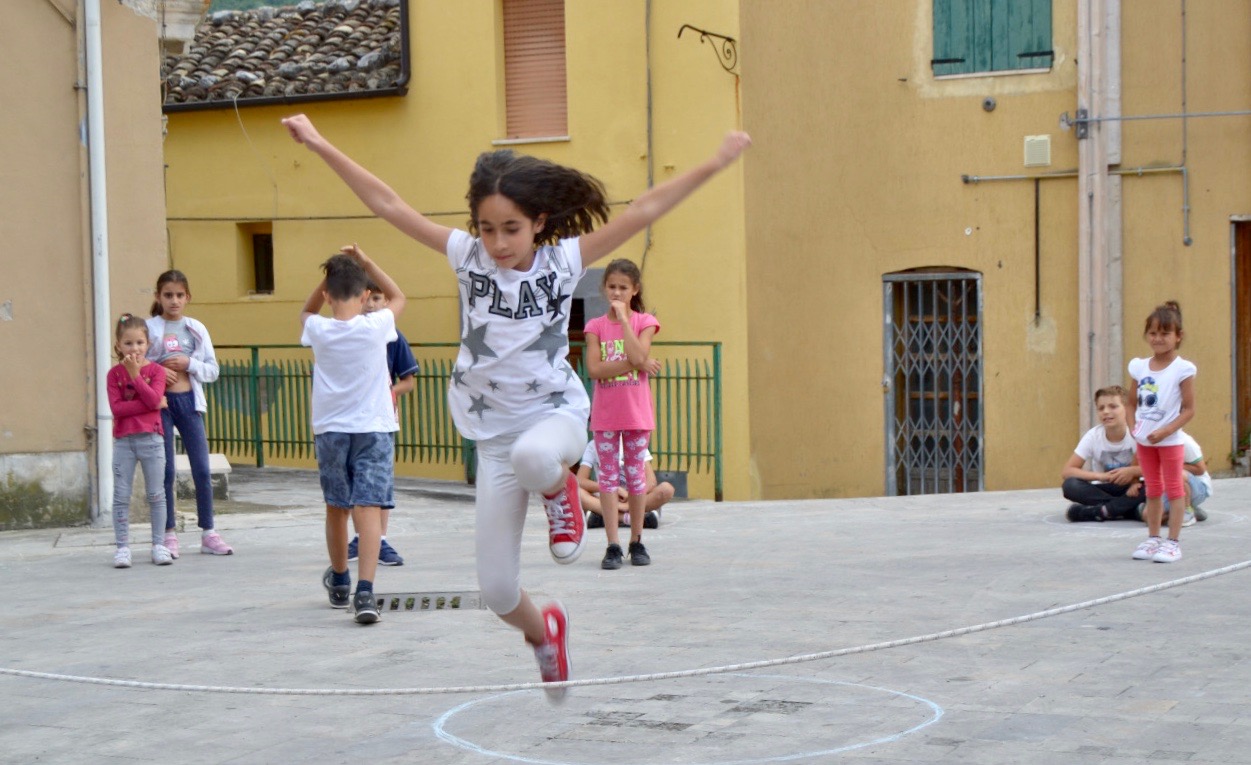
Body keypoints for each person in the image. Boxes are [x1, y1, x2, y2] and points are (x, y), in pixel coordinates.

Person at [282, 112, 750, 699]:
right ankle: (545, 635)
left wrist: (713, 163)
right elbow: (388, 204)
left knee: (536, 456)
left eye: (511, 229)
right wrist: (322, 142)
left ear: (538, 223)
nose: (498, 243)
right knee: (499, 589)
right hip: (493, 438)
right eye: (486, 229)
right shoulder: (466, 257)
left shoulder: (565, 262)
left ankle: (563, 498)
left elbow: (644, 210)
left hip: (555, 419)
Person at [301, 246, 406, 625]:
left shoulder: (318, 328)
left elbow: (307, 310)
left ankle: (340, 581)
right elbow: (398, 296)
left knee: (337, 507)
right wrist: (366, 261)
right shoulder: (376, 325)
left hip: (331, 429)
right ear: (365, 296)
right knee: (369, 508)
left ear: (328, 293)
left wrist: (328, 277)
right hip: (374, 428)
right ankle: (365, 591)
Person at [146, 271, 232, 557]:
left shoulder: (195, 328)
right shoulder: (149, 328)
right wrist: (159, 370)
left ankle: (209, 532)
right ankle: (168, 533)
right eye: (168, 295)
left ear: (187, 298)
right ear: (158, 297)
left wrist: (189, 363)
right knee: (167, 470)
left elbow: (212, 371)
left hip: (190, 403)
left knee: (201, 468)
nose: (174, 300)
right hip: (161, 406)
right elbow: (136, 367)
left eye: (179, 295)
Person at [583, 260, 662, 569]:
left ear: (634, 290)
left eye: (623, 288)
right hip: (605, 414)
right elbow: (594, 369)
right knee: (606, 479)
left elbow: (641, 353)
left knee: (636, 477)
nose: (616, 293)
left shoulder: (645, 322)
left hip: (636, 414)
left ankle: (637, 540)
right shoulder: (595, 327)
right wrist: (637, 363)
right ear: (605, 288)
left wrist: (626, 324)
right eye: (612, 286)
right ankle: (613, 544)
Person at [345, 279, 419, 567]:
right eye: (368, 298)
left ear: (388, 304)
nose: (372, 304)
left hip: (381, 419)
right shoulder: (348, 333)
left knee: (379, 481)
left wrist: (388, 393)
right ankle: (361, 537)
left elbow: (409, 381)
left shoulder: (393, 337)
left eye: (379, 298)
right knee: (354, 480)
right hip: (351, 417)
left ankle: (381, 539)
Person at [1127, 301, 1196, 563]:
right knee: (1152, 490)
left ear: (1178, 337)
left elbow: (1189, 409)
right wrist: (1134, 426)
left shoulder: (1182, 369)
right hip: (1145, 442)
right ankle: (1153, 537)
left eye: (1165, 333)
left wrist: (1166, 431)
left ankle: (1173, 542)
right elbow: (1131, 401)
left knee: (1174, 490)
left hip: (1170, 442)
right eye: (1153, 333)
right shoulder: (1139, 367)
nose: (1158, 339)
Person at [107, 315, 171, 568]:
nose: (134, 349)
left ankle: (159, 544)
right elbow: (117, 408)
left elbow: (155, 399)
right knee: (121, 495)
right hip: (124, 441)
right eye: (128, 343)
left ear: (148, 343)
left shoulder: (156, 371)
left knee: (156, 494)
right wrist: (149, 403)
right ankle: (122, 547)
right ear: (118, 345)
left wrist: (136, 376)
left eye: (140, 343)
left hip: (152, 439)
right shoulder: (114, 375)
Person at [1062, 385, 1143, 522]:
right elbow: (1067, 471)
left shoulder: (1138, 434)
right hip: (1105, 488)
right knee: (1070, 485)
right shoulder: (1093, 436)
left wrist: (1132, 473)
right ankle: (1127, 510)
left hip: (1132, 487)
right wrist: (1101, 476)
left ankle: (1101, 511)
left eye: (1113, 406)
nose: (1106, 412)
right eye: (1101, 408)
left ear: (1127, 409)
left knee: (1153, 487)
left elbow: (1155, 469)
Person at [576, 439, 674, 530]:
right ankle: (629, 518)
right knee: (576, 492)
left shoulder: (635, 441)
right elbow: (580, 480)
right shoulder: (594, 445)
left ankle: (605, 518)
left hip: (635, 498)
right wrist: (612, 489)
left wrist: (630, 498)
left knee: (666, 489)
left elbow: (651, 481)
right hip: (606, 498)